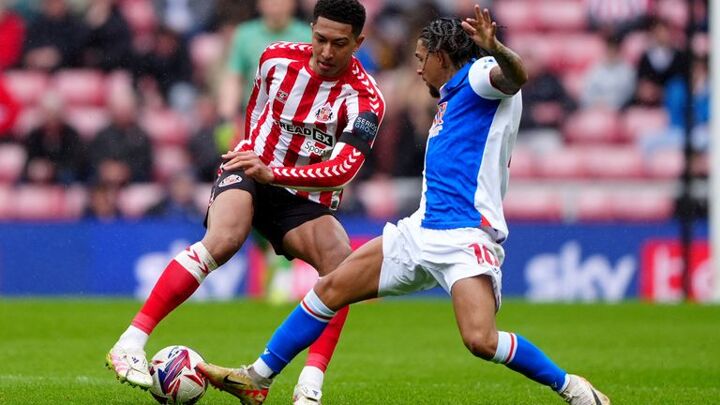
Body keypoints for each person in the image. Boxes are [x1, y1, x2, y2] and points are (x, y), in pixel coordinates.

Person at [197, 8, 610, 405]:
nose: (417, 69)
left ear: (441, 57)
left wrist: (496, 48)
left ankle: (571, 387)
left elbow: (515, 76)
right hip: (421, 230)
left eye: (420, 58)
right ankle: (257, 378)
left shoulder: (479, 76)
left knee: (481, 340)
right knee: (331, 286)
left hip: (464, 236)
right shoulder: (450, 97)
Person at [106, 2, 385, 405]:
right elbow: (256, 111)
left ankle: (309, 387)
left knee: (341, 267)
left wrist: (277, 174)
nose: (326, 51)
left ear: (358, 42)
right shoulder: (275, 59)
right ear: (310, 29)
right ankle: (129, 343)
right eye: (320, 39)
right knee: (224, 239)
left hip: (303, 194)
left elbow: (343, 170)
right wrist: (252, 156)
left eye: (339, 44)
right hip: (253, 171)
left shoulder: (366, 99)